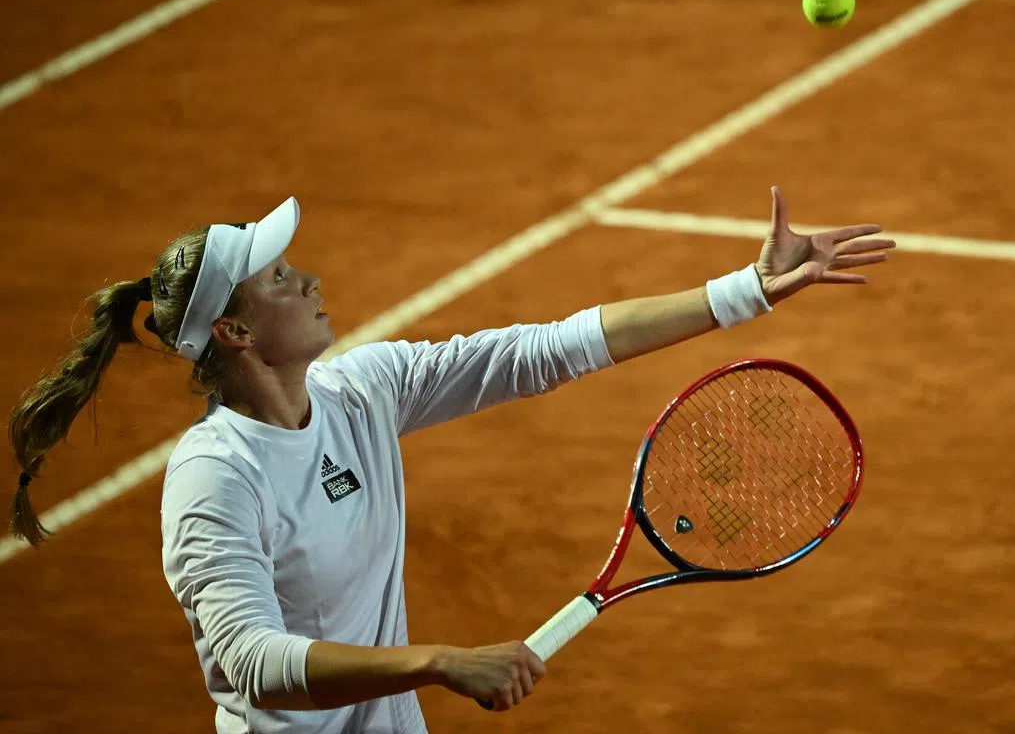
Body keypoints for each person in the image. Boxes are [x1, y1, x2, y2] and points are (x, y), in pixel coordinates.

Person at [7, 187, 894, 733]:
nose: (308, 279)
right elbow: (250, 661)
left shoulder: (362, 390)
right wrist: (436, 662)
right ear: (235, 334)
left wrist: (746, 290)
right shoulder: (214, 480)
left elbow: (548, 348)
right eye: (278, 279)